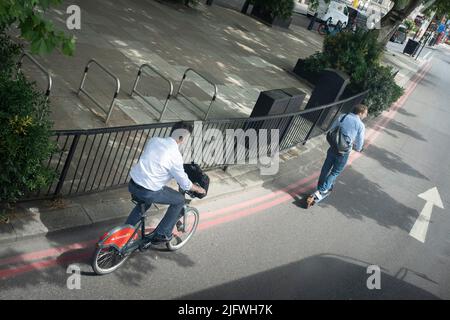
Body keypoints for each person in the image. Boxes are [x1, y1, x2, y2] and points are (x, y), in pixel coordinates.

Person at [125, 121, 206, 245]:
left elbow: (155, 163)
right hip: (148, 191)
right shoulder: (175, 156)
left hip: (133, 184)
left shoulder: (154, 141)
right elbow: (185, 184)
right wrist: (198, 189)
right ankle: (163, 233)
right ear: (182, 138)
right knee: (179, 200)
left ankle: (125, 232)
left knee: (145, 203)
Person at [313, 104, 368, 201]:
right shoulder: (360, 125)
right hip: (343, 152)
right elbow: (360, 141)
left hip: (333, 147)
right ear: (360, 113)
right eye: (365, 114)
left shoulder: (343, 116)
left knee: (326, 167)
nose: (365, 116)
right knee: (335, 172)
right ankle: (322, 190)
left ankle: (320, 186)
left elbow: (332, 129)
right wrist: (358, 149)